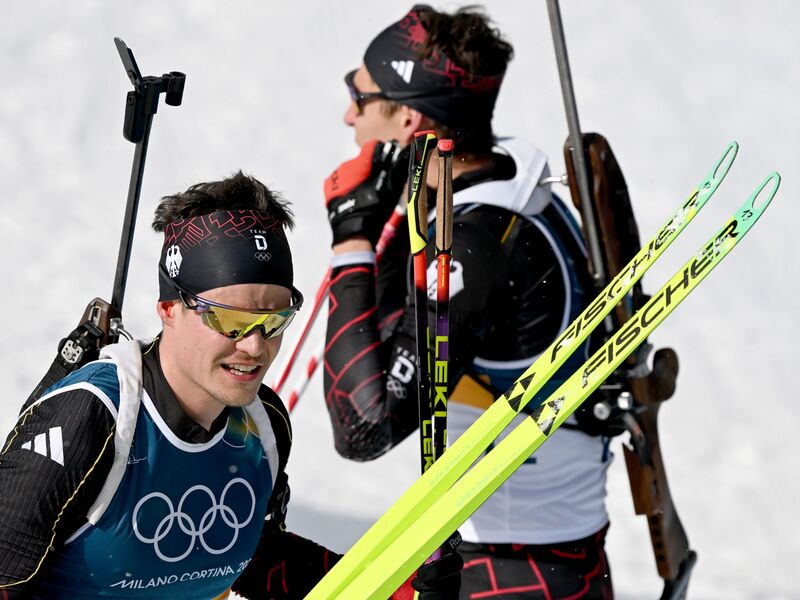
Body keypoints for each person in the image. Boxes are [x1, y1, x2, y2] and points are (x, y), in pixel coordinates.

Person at [322, 5, 615, 599]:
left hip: (512, 568)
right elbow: (392, 332)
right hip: (536, 552)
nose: (348, 113)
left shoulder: (474, 248)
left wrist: (351, 240)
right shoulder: (503, 180)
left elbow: (363, 428)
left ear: (408, 119)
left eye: (360, 95)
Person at [0, 172, 343, 599]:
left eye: (274, 320)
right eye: (231, 321)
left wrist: (402, 585)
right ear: (168, 309)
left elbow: (257, 558)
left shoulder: (264, 422)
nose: (255, 347)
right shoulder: (92, 415)